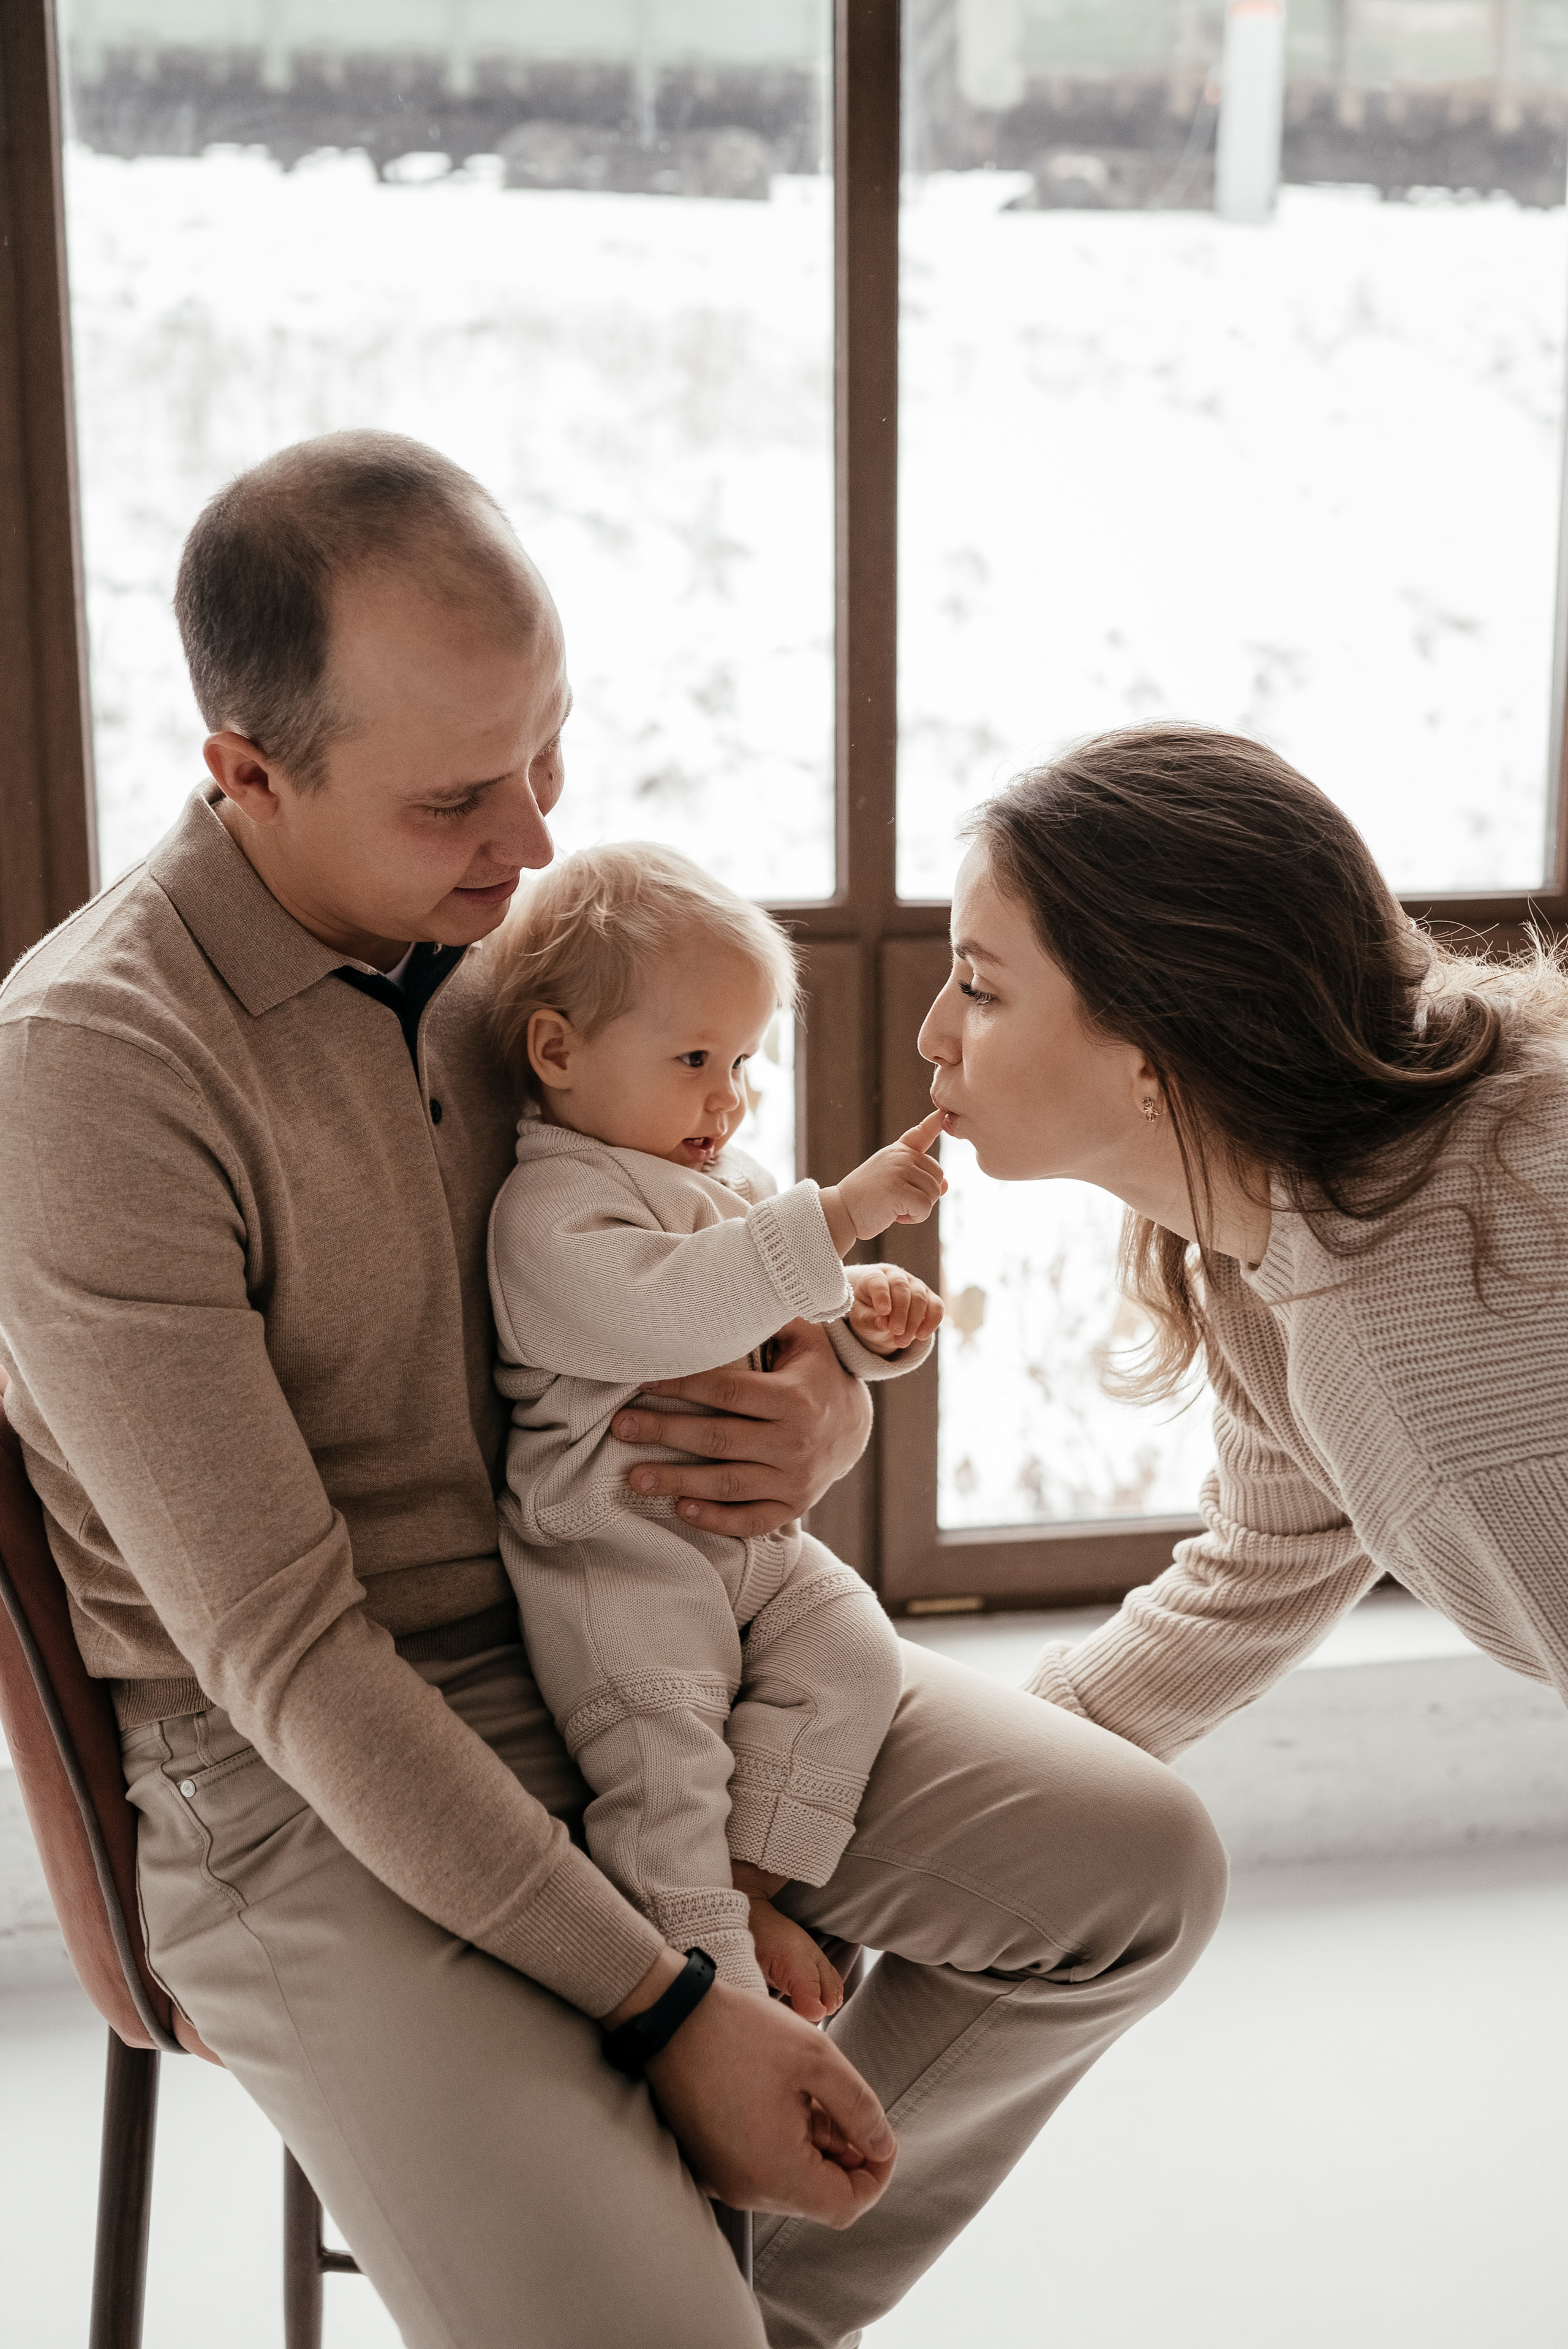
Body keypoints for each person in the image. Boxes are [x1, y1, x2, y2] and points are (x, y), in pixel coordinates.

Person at [0, 433, 1226, 2349]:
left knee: (1135, 1869)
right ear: (245, 774)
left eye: (548, 752)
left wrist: (822, 1407)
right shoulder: (88, 1076)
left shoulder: (513, 960)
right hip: (286, 1781)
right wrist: (674, 2003)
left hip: (627, 1622)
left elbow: (712, 1250)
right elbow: (295, 1662)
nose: (537, 838)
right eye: (458, 796)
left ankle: (745, 2307)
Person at [918, 722, 1568, 1765]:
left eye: (983, 989)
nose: (933, 1033)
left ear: (1158, 1052)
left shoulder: (1424, 1341)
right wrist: (935, 1797)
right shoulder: (1271, 1241)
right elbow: (1267, 1557)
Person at [485, 841, 944, 2010]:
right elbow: (674, 1307)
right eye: (693, 1057)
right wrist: (841, 1216)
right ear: (558, 1051)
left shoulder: (715, 1175)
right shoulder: (550, 1208)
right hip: (618, 1551)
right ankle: (713, 1991)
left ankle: (749, 1886)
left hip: (747, 1545)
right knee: (664, 1756)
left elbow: (776, 1333)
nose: (726, 1095)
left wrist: (865, 1339)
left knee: (854, 1648)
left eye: (741, 1059)